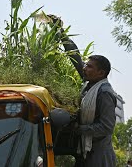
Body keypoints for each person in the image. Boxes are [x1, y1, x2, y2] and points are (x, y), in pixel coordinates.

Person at [49, 15, 117, 167]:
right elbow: (75, 57)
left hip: (99, 156)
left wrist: (79, 129)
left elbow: (106, 127)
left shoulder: (104, 93)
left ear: (101, 73)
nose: (85, 68)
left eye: (90, 66)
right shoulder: (89, 84)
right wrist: (60, 31)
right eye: (86, 65)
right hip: (85, 152)